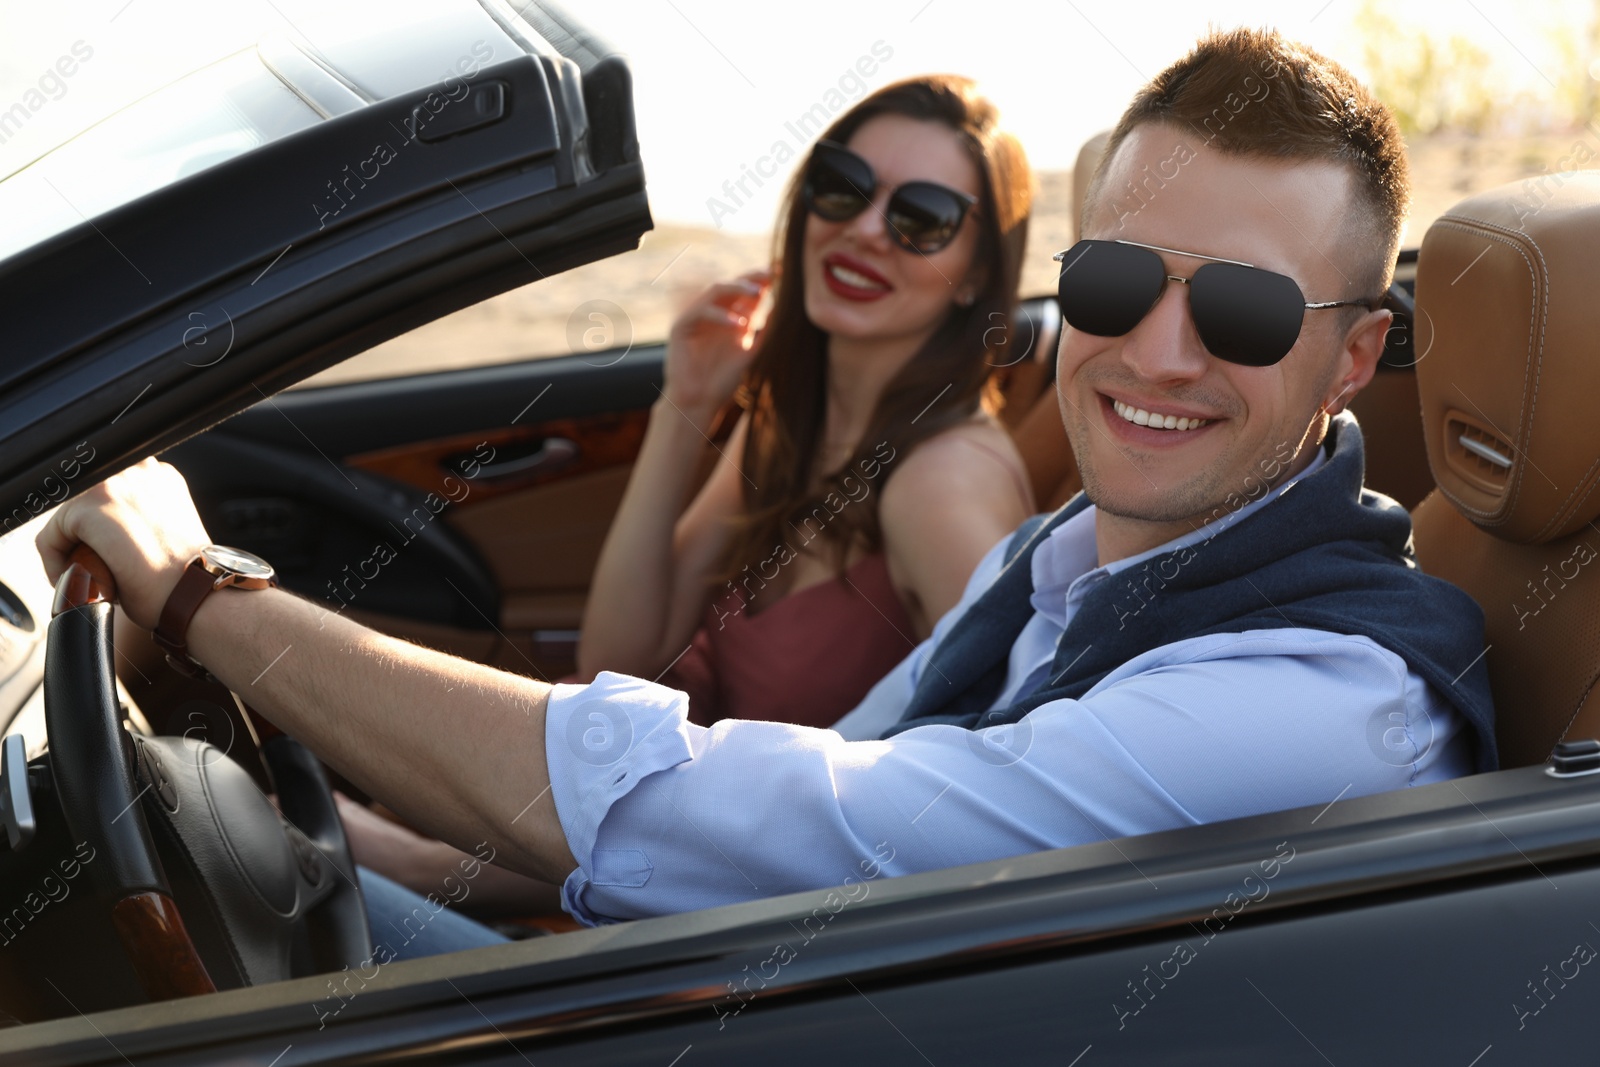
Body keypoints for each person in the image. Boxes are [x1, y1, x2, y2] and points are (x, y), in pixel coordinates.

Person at [40, 29, 1495, 944]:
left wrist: (212, 598)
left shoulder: (1310, 701)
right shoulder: (1060, 564)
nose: (1156, 352)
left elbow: (794, 815)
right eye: (1118, 281)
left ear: (1354, 356)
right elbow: (797, 752)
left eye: (1240, 313)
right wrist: (382, 839)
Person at [577, 75, 1035, 730]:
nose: (868, 230)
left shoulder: (942, 483)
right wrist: (685, 407)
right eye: (843, 185)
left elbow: (1007, 752)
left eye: (923, 217)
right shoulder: (795, 419)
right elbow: (620, 660)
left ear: (978, 275)